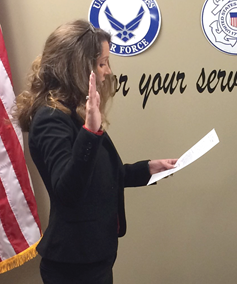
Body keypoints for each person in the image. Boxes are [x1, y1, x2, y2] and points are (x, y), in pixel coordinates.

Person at [14, 20, 177, 284]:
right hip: (73, 267)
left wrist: (147, 170)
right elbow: (68, 190)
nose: (108, 71)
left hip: (93, 257)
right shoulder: (50, 119)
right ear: (78, 67)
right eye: (102, 63)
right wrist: (91, 131)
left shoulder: (73, 113)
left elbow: (100, 176)